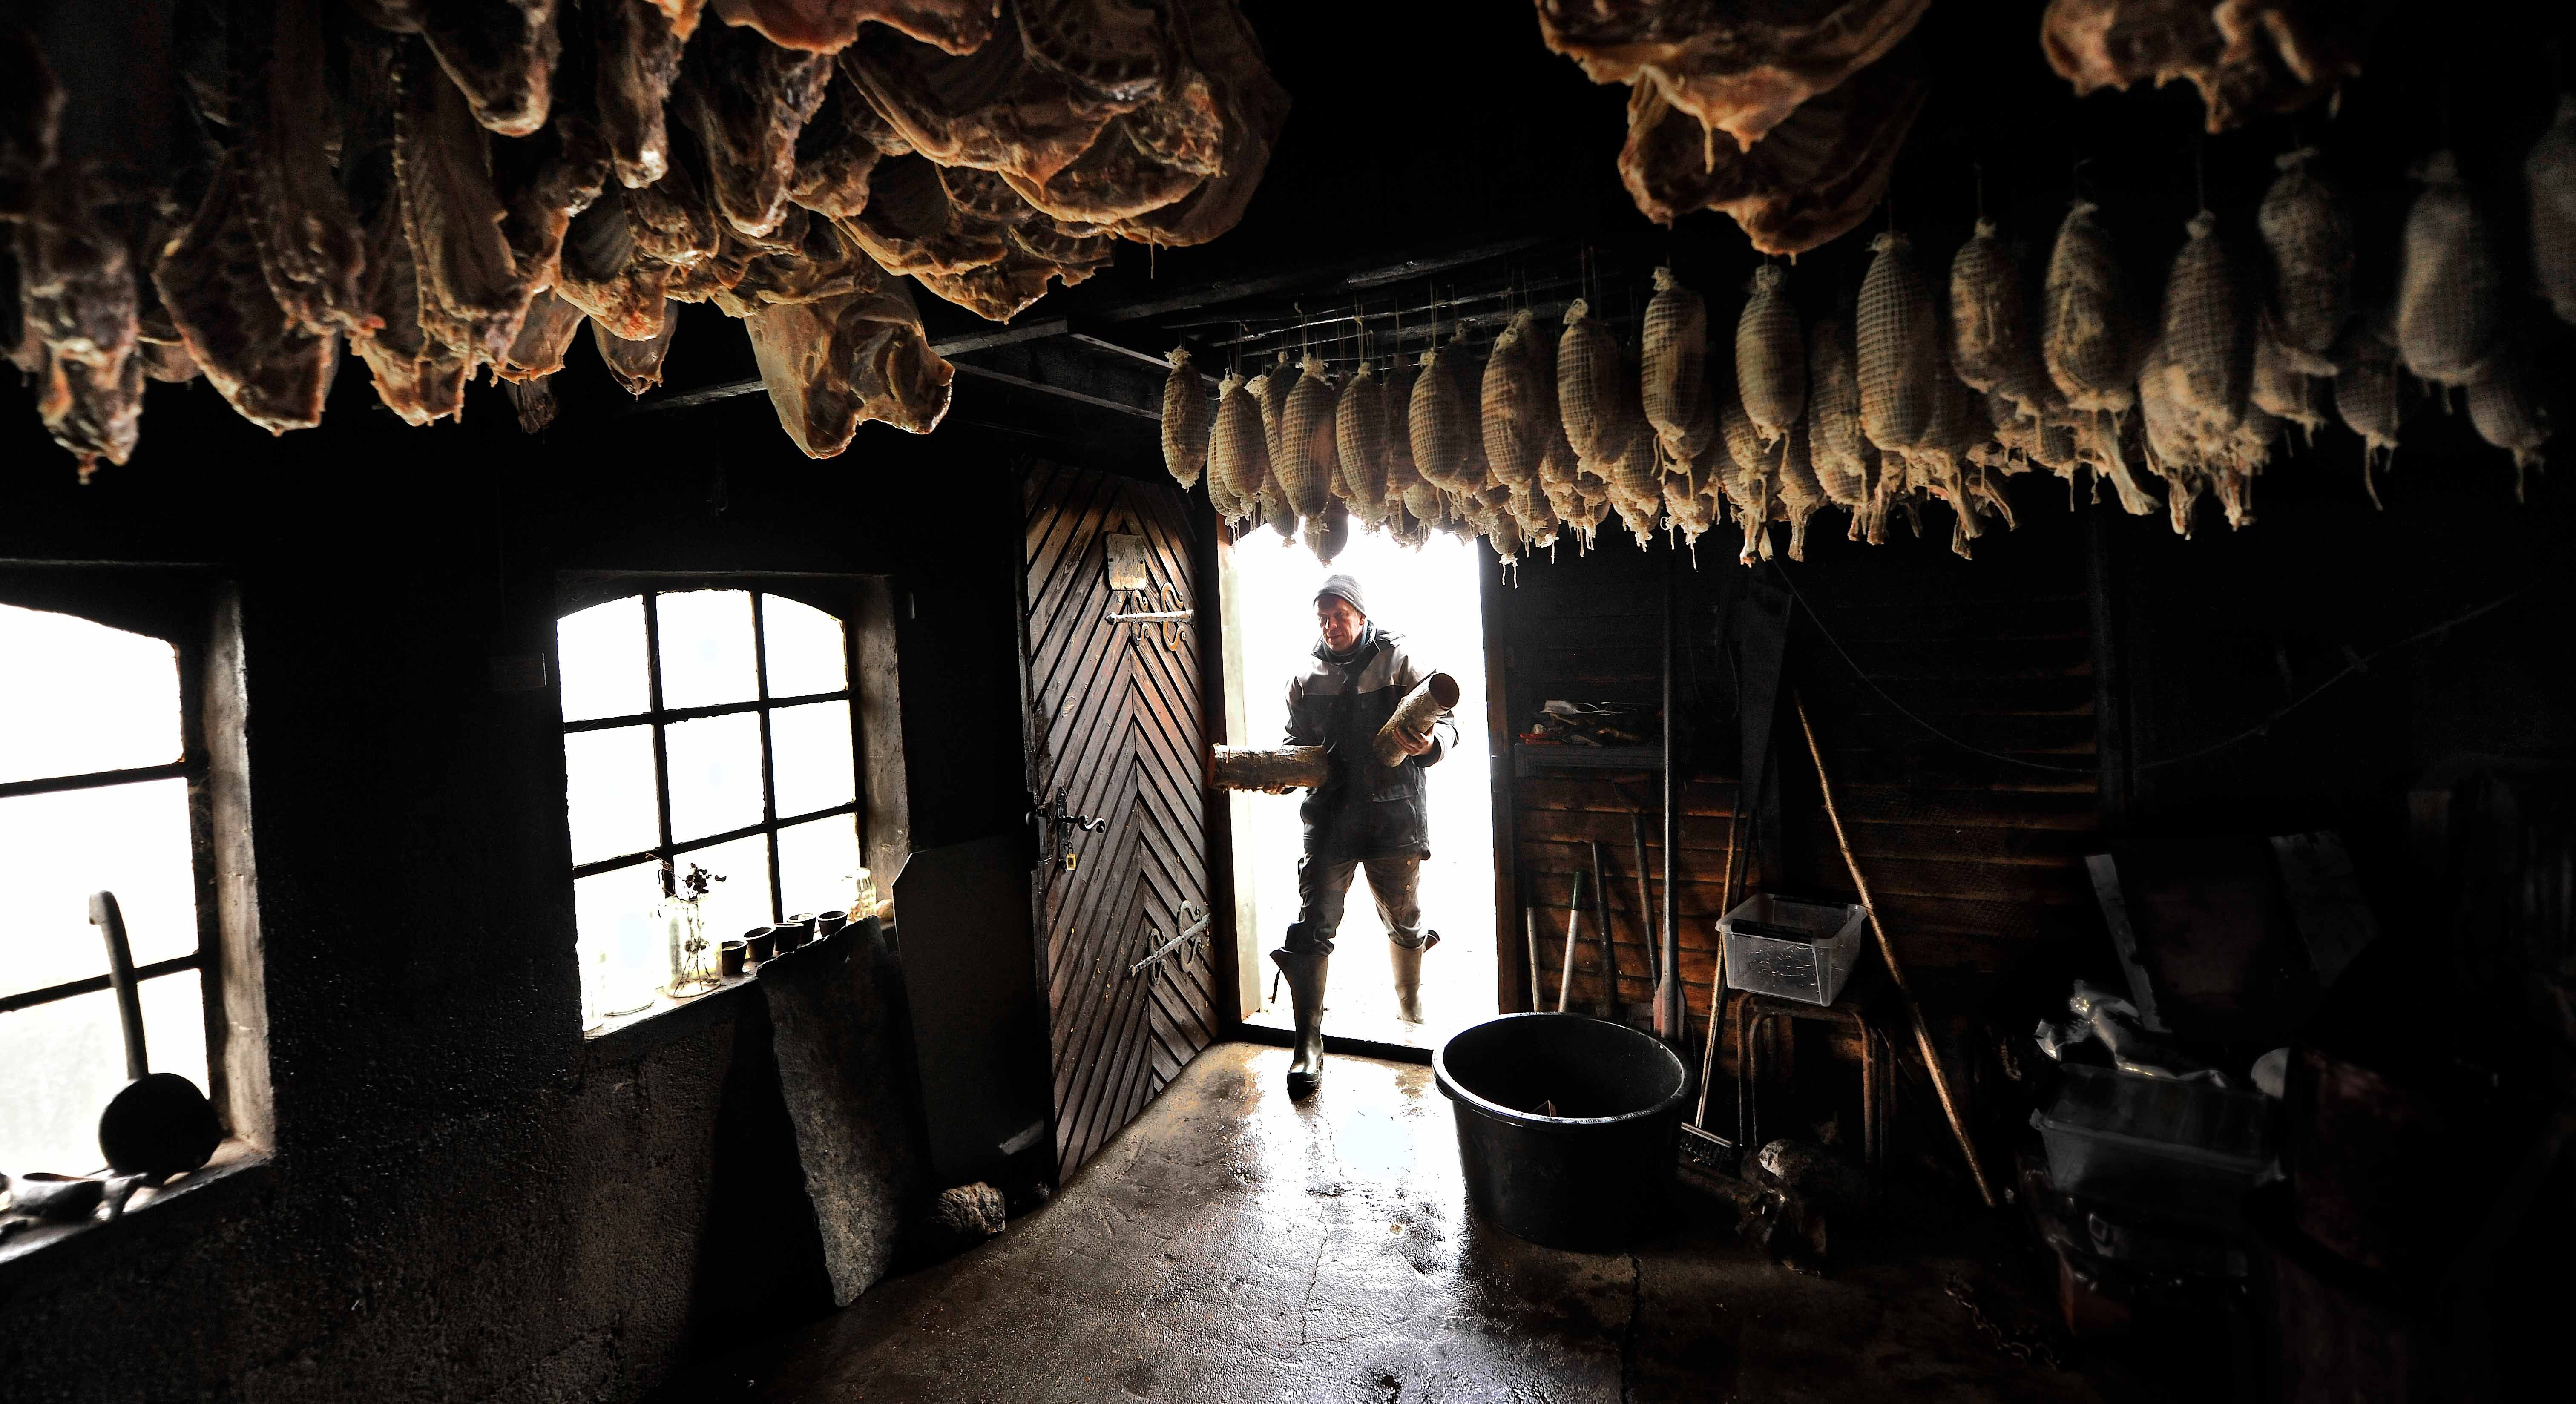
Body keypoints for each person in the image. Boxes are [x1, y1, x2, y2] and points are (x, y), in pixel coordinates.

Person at [1271, 574, 1456, 1097]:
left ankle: (1411, 1008)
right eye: (1323, 618)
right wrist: (1282, 771)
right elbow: (1296, 743)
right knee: (1314, 923)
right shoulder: (1304, 677)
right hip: (1329, 820)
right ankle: (1308, 1044)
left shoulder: (1401, 661)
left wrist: (1430, 746)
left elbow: (1450, 724)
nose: (1331, 626)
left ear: (1361, 614)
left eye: (1340, 616)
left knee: (1404, 917)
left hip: (1393, 816)